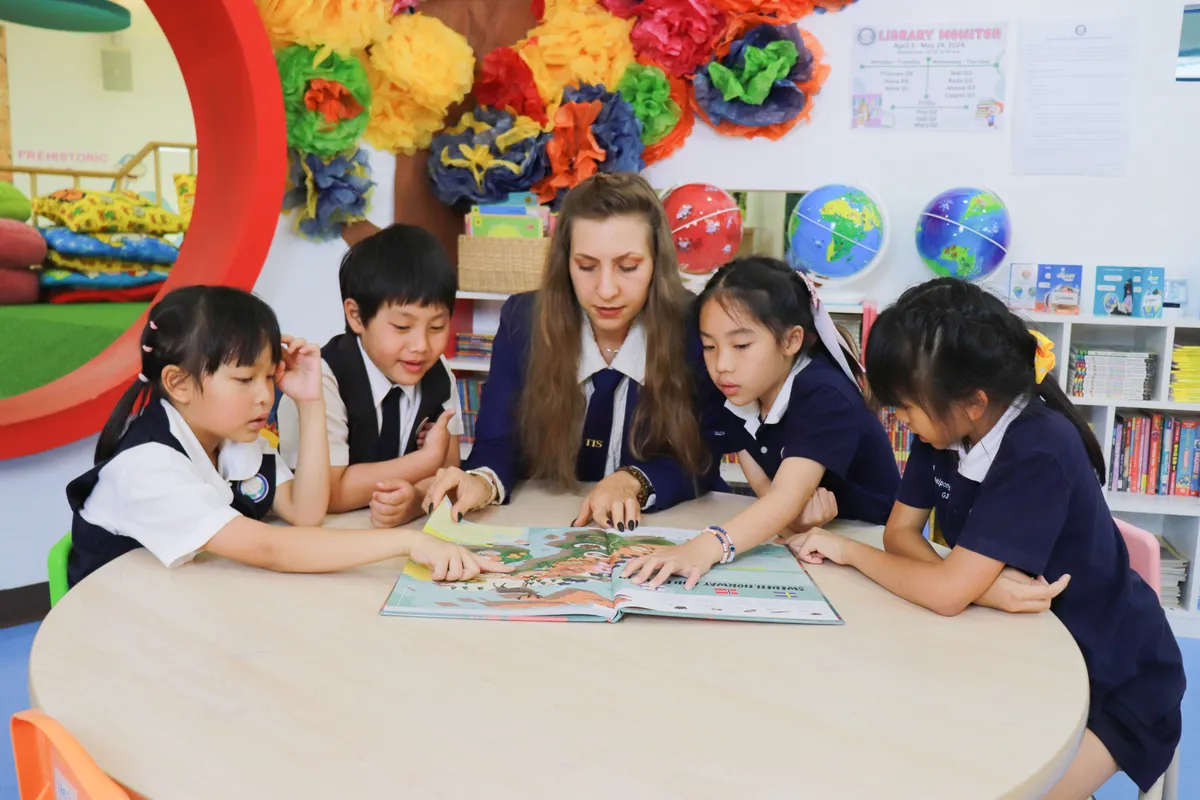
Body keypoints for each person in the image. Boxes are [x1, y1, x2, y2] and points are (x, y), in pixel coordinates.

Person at [794, 278, 1185, 799]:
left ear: (973, 401)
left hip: (1114, 676)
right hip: (1012, 649)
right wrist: (979, 587)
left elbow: (945, 593)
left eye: (905, 407)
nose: (900, 420)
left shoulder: (1038, 449)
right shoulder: (946, 428)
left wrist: (847, 550)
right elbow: (899, 534)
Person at [66, 285, 508, 589]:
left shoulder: (233, 439)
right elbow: (271, 547)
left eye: (268, 376)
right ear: (178, 383)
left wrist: (310, 401)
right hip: (119, 637)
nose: (265, 396)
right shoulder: (148, 466)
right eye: (244, 379)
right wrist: (408, 542)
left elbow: (305, 512)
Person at [423, 173, 711, 529]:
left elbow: (700, 459)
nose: (606, 290)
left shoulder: (693, 326)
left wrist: (633, 480)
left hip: (661, 528)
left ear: (656, 262)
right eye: (586, 266)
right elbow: (498, 442)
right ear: (565, 264)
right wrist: (481, 481)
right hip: (545, 525)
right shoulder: (523, 321)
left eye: (628, 267)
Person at [622, 256, 899, 589]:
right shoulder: (737, 391)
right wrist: (792, 519)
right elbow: (770, 495)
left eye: (741, 345)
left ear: (791, 341)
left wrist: (703, 548)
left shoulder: (824, 395)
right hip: (813, 545)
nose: (722, 364)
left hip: (871, 545)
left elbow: (784, 499)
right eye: (709, 346)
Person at [277, 224, 464, 528]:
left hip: (390, 535)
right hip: (322, 535)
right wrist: (425, 461)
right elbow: (329, 493)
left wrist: (415, 499)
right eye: (402, 327)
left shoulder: (437, 371)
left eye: (437, 327)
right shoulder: (322, 379)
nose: (421, 346)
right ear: (356, 316)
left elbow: (450, 468)